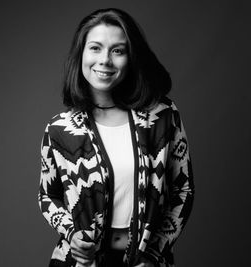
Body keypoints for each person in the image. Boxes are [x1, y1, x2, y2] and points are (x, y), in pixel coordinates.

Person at [38, 8, 194, 267]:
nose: (105, 60)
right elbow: (47, 195)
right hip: (78, 263)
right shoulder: (61, 129)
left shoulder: (163, 116)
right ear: (81, 55)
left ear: (131, 58)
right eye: (95, 48)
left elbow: (183, 189)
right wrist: (71, 233)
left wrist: (155, 253)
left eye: (118, 50)